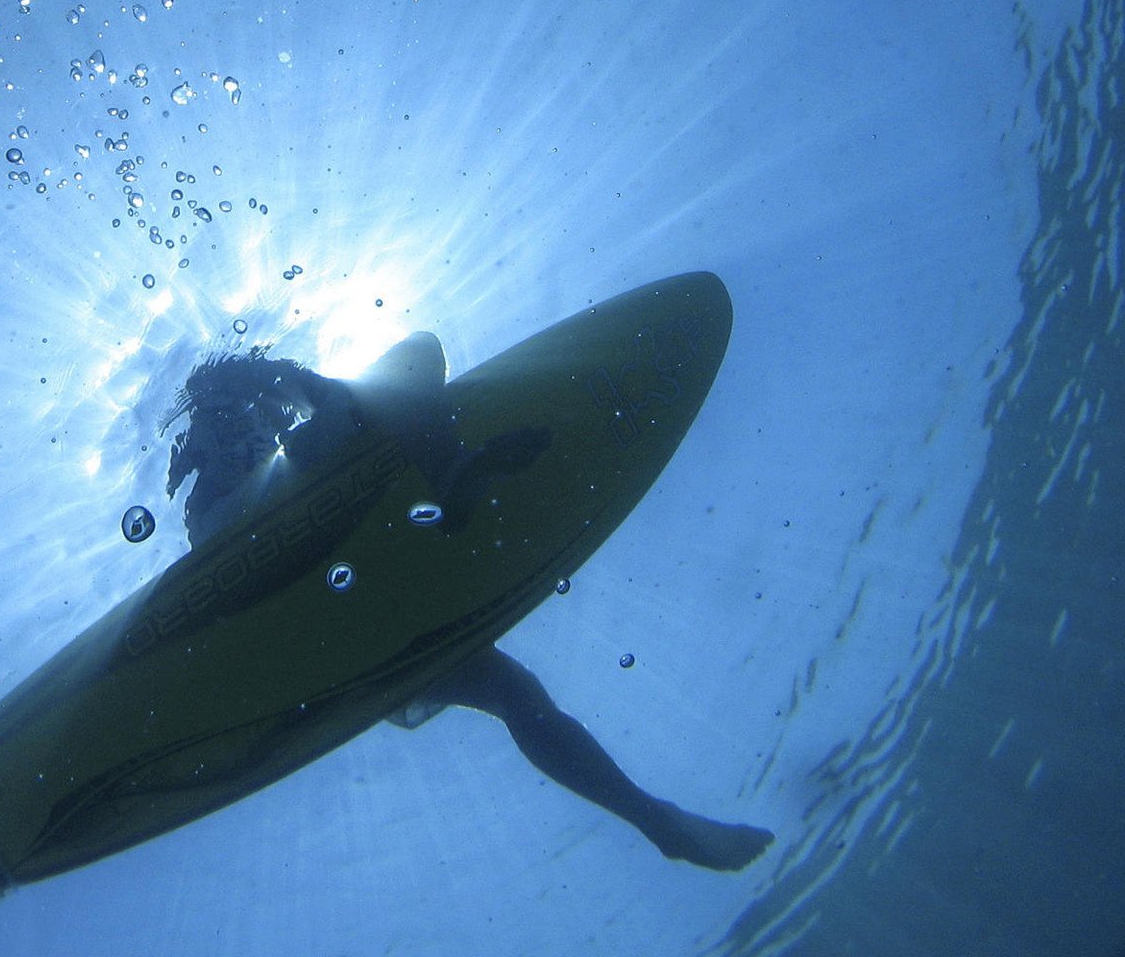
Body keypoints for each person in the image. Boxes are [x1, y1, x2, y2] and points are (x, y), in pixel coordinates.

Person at [158, 342, 774, 872]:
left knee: (512, 691)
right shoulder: (236, 399)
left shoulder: (226, 434)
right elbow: (333, 394)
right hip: (266, 558)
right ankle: (452, 472)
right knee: (405, 365)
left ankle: (653, 817)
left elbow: (296, 424)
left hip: (331, 599)